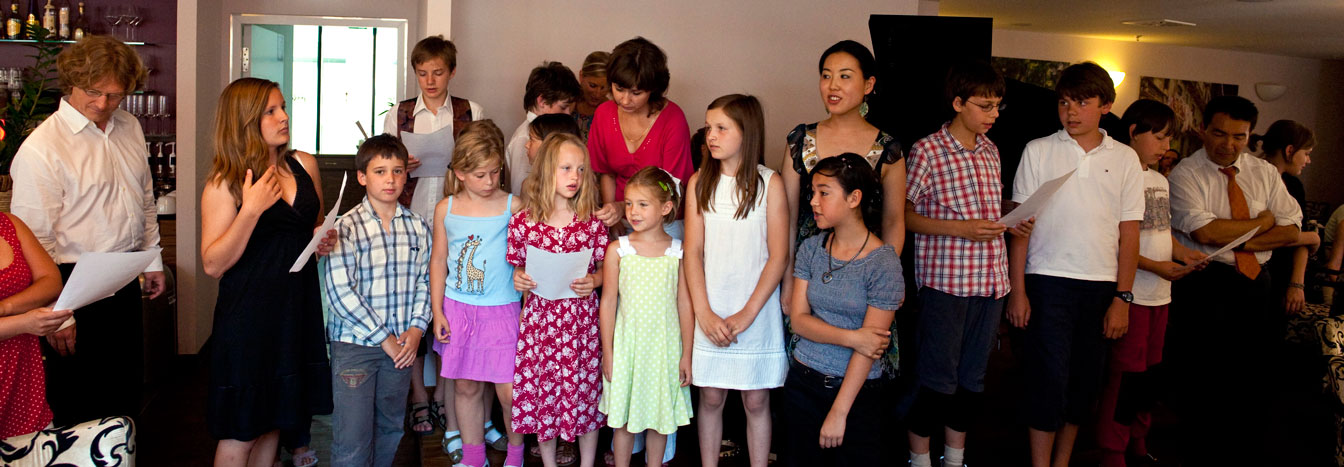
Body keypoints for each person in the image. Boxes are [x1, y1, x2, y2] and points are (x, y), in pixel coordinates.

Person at [10, 34, 165, 427]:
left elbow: (144, 199)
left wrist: (153, 260)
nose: (103, 104)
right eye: (94, 92)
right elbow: (34, 243)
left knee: (124, 394)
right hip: (69, 285)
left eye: (115, 95)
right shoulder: (42, 148)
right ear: (72, 83)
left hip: (123, 276)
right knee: (78, 403)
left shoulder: (128, 126)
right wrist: (58, 315)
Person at [1007, 62, 1143, 467]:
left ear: (1106, 105)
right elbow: (1019, 227)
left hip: (1101, 285)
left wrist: (1123, 297)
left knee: (1084, 384)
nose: (1070, 111)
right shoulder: (1038, 149)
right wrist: (1018, 290)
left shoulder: (1125, 159)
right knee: (1045, 381)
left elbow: (1130, 233)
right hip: (1046, 281)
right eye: (1064, 102)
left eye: (1082, 102)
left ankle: (1062, 462)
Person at [903, 60, 1032, 467]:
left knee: (972, 381)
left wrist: (1011, 214)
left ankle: (955, 457)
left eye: (998, 106)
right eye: (986, 106)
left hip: (990, 282)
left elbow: (985, 210)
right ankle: (918, 457)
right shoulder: (927, 150)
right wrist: (960, 229)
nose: (994, 115)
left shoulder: (992, 151)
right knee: (936, 380)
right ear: (958, 103)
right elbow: (902, 215)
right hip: (946, 283)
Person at [200, 77, 334, 466]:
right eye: (271, 111)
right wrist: (251, 210)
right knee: (243, 427)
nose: (284, 116)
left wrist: (323, 238)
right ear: (245, 121)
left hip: (297, 308)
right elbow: (212, 263)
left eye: (283, 107)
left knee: (276, 419)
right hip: (250, 316)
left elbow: (315, 222)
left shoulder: (303, 163)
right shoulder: (225, 183)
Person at [1167, 96, 1304, 464]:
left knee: (1252, 377)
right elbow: (1207, 233)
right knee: (1203, 379)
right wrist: (1262, 222)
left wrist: (1247, 237)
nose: (1228, 144)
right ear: (1202, 130)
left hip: (1257, 280)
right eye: (1219, 133)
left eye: (1239, 137)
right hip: (1206, 282)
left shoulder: (1265, 173)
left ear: (1250, 135)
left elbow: (1292, 231)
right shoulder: (1185, 174)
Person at [381, 34, 487, 447]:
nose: (429, 80)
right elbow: (380, 168)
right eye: (422, 73)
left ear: (452, 72)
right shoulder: (398, 115)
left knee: (450, 305)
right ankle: (419, 395)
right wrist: (398, 164)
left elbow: (482, 160)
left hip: (456, 216)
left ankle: (445, 393)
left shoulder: (470, 111)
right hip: (409, 215)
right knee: (411, 304)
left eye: (437, 72)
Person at [1094, 99, 1207, 467]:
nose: (1165, 147)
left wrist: (1183, 254)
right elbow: (1113, 240)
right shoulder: (1117, 175)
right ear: (1133, 132)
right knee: (1125, 376)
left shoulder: (1159, 179)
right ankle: (1113, 450)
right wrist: (1155, 266)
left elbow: (1160, 230)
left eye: (1168, 139)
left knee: (1150, 376)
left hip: (1161, 295)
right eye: (1158, 138)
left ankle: (1138, 442)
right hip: (1134, 293)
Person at [782, 40, 904, 376]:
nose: (832, 86)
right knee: (807, 363)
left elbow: (894, 220)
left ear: (869, 85)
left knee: (862, 361)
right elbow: (788, 216)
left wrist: (886, 280)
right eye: (826, 75)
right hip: (810, 271)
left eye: (845, 76)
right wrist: (789, 279)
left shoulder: (888, 148)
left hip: (865, 272)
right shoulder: (800, 140)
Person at [683, 94, 788, 467]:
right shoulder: (699, 183)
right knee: (710, 398)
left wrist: (747, 314)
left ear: (747, 132)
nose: (711, 135)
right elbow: (693, 254)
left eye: (721, 128)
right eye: (709, 127)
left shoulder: (769, 184)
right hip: (712, 306)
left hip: (754, 311)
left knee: (756, 400)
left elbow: (778, 256)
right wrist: (705, 313)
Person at [782, 153, 903, 465]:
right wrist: (853, 338)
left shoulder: (883, 262)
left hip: (855, 395)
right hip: (802, 383)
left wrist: (839, 411)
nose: (813, 202)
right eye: (812, 192)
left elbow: (871, 347)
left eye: (824, 192)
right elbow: (799, 321)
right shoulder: (811, 248)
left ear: (854, 198)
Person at [320, 134, 431, 466]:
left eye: (398, 171)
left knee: (390, 428)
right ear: (362, 176)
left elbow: (425, 281)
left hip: (402, 346)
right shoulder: (346, 228)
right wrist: (385, 339)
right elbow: (341, 293)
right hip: (356, 347)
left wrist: (416, 330)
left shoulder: (418, 227)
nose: (390, 180)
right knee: (352, 437)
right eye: (380, 171)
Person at [508, 133, 609, 467]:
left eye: (580, 170)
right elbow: (518, 268)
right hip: (541, 325)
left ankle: (587, 461)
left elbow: (608, 268)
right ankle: (549, 462)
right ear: (547, 170)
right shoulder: (525, 222)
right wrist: (519, 277)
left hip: (579, 324)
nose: (574, 177)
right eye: (566, 168)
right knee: (544, 394)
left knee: (585, 393)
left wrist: (595, 279)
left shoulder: (591, 223)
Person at [430, 120, 527, 467]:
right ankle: (474, 458)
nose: (489, 182)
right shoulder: (447, 208)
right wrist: (438, 310)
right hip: (459, 310)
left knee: (510, 393)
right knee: (467, 387)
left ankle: (515, 456)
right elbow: (439, 260)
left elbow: (526, 256)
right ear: (459, 172)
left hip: (502, 311)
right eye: (480, 175)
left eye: (494, 173)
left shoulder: (512, 207)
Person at [598, 167, 695, 467]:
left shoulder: (678, 253)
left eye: (642, 204)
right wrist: (608, 352)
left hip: (663, 351)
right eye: (628, 203)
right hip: (628, 349)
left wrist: (686, 355)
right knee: (623, 422)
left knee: (659, 419)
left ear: (666, 207)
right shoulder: (619, 250)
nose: (632, 212)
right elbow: (609, 303)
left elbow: (685, 307)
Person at [588, 37, 694, 240]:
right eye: (618, 89)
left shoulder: (673, 119)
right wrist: (613, 215)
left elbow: (670, 185)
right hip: (620, 220)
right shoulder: (604, 114)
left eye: (636, 93)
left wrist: (623, 206)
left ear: (653, 89)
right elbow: (606, 174)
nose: (625, 100)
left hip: (664, 222)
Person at [0, 213, 69, 439]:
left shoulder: (9, 224)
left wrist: (6, 307)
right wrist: (24, 322)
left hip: (22, 380)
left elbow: (51, 280)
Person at [1253, 120, 1319, 315]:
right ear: (1290, 150)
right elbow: (1260, 235)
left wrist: (1297, 284)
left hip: (1283, 276)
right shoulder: (1253, 180)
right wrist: (1312, 237)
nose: (1308, 161)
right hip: (1254, 273)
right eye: (1306, 153)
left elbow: (1296, 235)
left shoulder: (1294, 185)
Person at [506, 61, 581, 194]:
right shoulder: (524, 137)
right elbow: (519, 192)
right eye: (563, 107)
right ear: (542, 101)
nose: (568, 113)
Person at [575, 51, 612, 140]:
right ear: (581, 76)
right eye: (593, 86)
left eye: (603, 88)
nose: (597, 94)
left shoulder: (612, 114)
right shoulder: (566, 105)